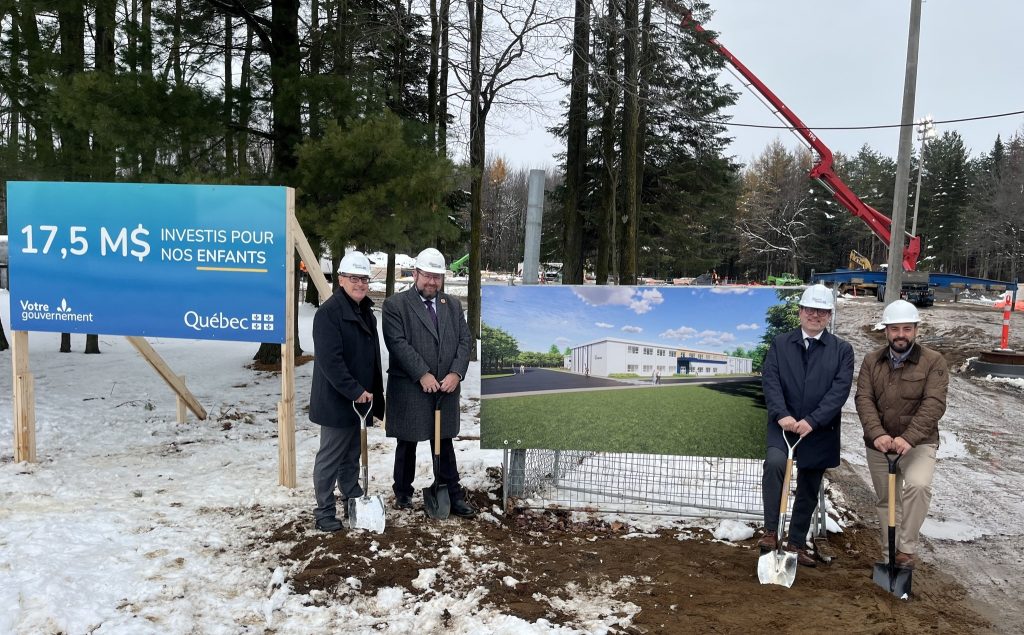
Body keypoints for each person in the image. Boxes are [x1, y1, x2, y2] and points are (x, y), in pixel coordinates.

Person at [758, 284, 854, 567]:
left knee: (810, 483)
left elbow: (840, 390)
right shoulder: (780, 344)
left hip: (819, 429)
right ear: (800, 312)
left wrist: (813, 420)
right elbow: (771, 380)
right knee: (775, 464)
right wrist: (781, 415)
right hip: (783, 425)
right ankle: (771, 531)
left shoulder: (841, 350)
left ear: (829, 316)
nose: (815, 315)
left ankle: (796, 542)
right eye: (810, 309)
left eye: (821, 311)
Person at [382, 247, 476, 518]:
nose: (432, 282)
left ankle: (450, 492)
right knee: (407, 442)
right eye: (427, 276)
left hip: (445, 387)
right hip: (410, 386)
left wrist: (456, 374)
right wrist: (422, 374)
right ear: (415, 274)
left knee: (444, 441)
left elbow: (464, 341)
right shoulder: (395, 305)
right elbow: (397, 343)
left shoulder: (453, 305)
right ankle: (402, 493)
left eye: (438, 277)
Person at [855, 300, 948, 570]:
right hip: (880, 446)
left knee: (918, 486)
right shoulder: (872, 361)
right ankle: (890, 557)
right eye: (895, 329)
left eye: (907, 328)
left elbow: (934, 403)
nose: (901, 335)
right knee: (888, 500)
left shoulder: (933, 361)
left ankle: (906, 549)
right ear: (886, 331)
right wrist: (877, 434)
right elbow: (864, 399)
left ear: (916, 330)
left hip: (919, 443)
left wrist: (909, 438)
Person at [308, 251, 385, 532]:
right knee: (330, 458)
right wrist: (354, 390)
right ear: (341, 279)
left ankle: (351, 496)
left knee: (352, 454)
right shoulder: (329, 314)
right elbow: (331, 361)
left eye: (364, 279)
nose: (360, 284)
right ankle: (324, 510)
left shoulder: (365, 311)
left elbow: (371, 356)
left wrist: (373, 392)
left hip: (360, 400)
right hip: (337, 401)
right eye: (354, 278)